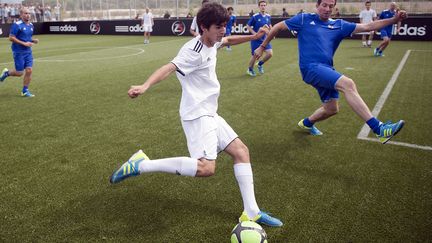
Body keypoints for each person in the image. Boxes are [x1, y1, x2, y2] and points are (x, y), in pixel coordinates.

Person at [109, 2, 283, 227]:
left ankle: (252, 212)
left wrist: (254, 37)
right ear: (203, 27)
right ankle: (141, 165)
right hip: (197, 114)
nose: (223, 31)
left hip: (209, 112)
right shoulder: (193, 51)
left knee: (241, 151)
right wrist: (145, 86)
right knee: (206, 168)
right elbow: (169, 67)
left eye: (225, 25)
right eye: (219, 27)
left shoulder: (214, 41)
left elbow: (228, 40)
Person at [254, 0, 407, 144]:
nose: (327, 9)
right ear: (317, 5)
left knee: (331, 109)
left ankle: (307, 123)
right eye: (324, 5)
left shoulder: (339, 25)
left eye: (331, 6)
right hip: (310, 68)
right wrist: (262, 46)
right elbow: (278, 27)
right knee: (348, 84)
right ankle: (379, 129)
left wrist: (394, 20)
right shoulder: (303, 19)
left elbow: (368, 26)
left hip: (326, 68)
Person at [0, 7, 39, 97]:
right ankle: (7, 73)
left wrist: (33, 40)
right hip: (18, 51)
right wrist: (24, 44)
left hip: (28, 52)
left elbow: (27, 38)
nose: (28, 15)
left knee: (29, 70)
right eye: (25, 13)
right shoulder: (17, 25)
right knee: (19, 73)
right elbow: (11, 37)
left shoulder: (31, 25)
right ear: (21, 15)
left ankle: (25, 91)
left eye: (29, 13)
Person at [246, 0, 272, 77]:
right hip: (256, 40)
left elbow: (269, 25)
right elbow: (248, 26)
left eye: (264, 5)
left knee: (270, 54)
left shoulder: (268, 16)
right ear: (259, 6)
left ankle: (260, 64)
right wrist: (255, 34)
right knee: (255, 55)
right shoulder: (255, 16)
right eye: (261, 5)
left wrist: (272, 32)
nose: (263, 7)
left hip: (265, 39)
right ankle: (250, 69)